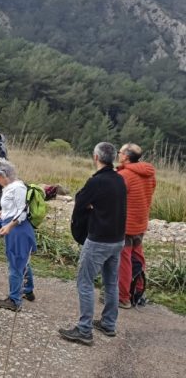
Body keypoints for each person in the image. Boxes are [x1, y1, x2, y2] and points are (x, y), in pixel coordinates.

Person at [59, 142, 127, 346]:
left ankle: (84, 329)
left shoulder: (97, 181)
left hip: (99, 239)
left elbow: (80, 201)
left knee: (85, 282)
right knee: (111, 283)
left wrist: (89, 207)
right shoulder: (119, 179)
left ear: (96, 157)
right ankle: (108, 323)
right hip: (117, 239)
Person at [0, 159, 36, 311]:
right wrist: (3, 213)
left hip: (18, 230)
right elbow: (15, 207)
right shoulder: (11, 187)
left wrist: (9, 225)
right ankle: (27, 290)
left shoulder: (17, 188)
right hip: (15, 228)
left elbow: (23, 212)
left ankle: (14, 300)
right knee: (23, 260)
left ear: (2, 174)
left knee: (15, 264)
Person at [116, 143, 156, 309]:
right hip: (140, 222)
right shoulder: (150, 174)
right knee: (138, 257)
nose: (118, 154)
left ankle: (123, 297)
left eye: (120, 152)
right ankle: (138, 291)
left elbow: (116, 198)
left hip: (125, 224)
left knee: (124, 261)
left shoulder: (124, 175)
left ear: (125, 156)